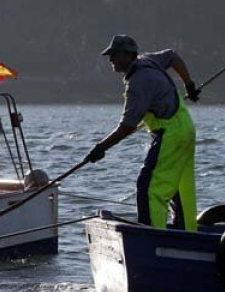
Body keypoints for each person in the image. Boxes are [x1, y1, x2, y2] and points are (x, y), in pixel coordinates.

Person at [84, 34, 201, 231]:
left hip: (169, 135)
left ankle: (152, 235)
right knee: (179, 185)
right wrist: (188, 84)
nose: (110, 59)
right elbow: (172, 56)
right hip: (186, 128)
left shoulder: (137, 82)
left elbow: (127, 126)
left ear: (129, 55)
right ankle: (187, 231)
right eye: (109, 55)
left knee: (148, 188)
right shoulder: (149, 60)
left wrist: (101, 148)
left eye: (115, 55)